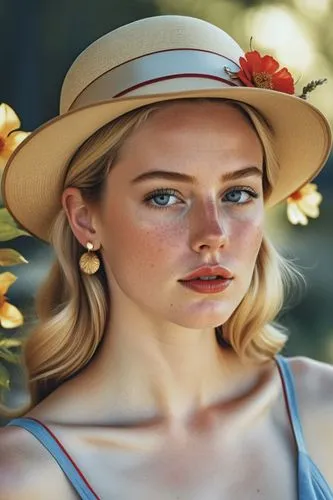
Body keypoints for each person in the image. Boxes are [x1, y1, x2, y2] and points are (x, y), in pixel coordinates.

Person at [0, 14, 332, 500]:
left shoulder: (324, 409)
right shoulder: (23, 479)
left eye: (237, 193)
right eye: (165, 197)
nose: (212, 234)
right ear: (85, 218)